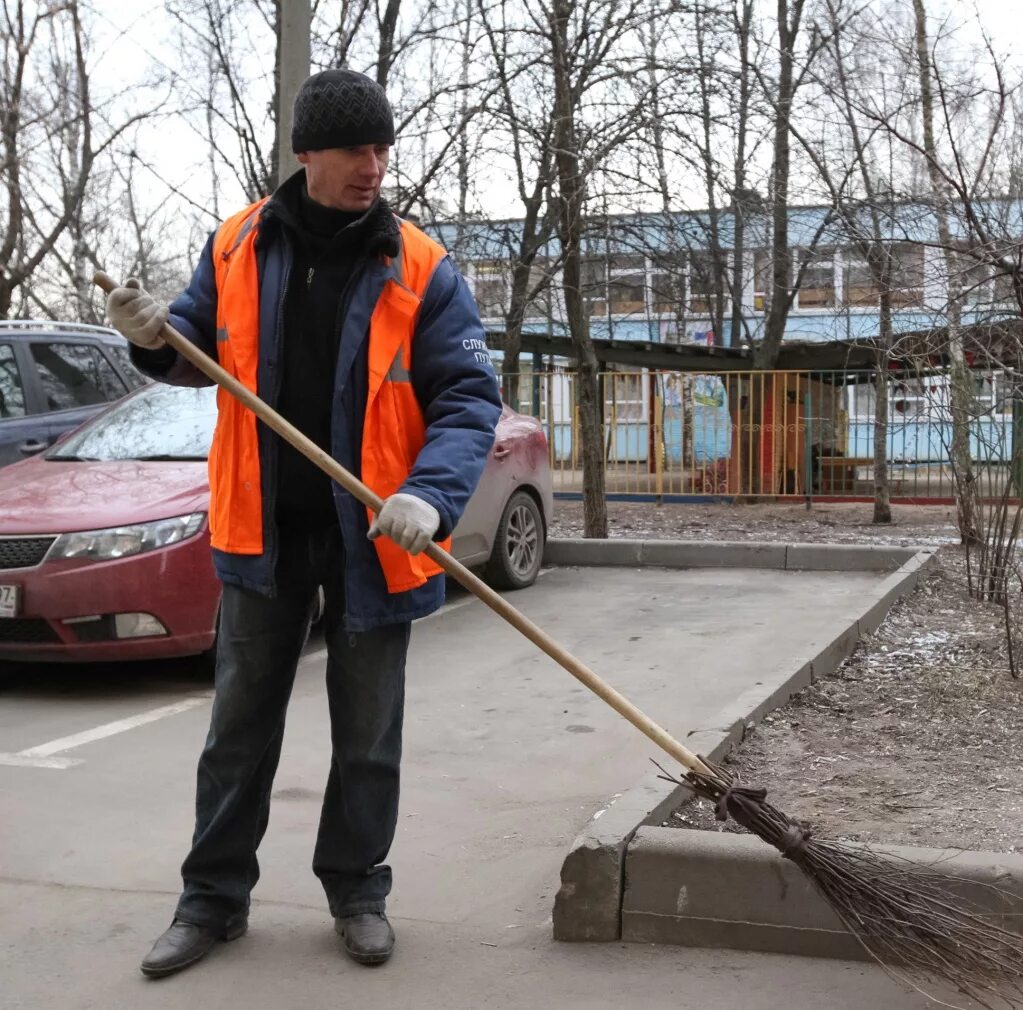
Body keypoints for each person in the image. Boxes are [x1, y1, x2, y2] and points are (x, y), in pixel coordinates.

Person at [105, 68, 502, 979]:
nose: (374, 166)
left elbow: (468, 399)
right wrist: (149, 335)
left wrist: (430, 495)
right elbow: (193, 354)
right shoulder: (238, 244)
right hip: (262, 535)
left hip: (377, 537)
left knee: (367, 737)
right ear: (307, 155)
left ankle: (358, 891)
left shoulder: (421, 266)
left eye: (381, 148)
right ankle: (210, 901)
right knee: (238, 733)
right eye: (356, 149)